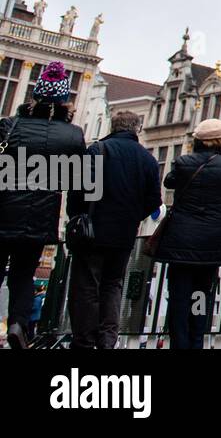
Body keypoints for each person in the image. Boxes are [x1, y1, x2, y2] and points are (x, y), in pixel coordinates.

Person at [0, 62, 87, 349]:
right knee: (24, 273)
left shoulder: (10, 126)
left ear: (35, 95)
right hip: (41, 213)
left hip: (4, 208)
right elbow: (81, 184)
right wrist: (76, 216)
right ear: (64, 100)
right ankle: (18, 323)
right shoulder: (73, 135)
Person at [153, 118, 221, 349]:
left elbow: (169, 181)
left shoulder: (184, 162)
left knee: (178, 297)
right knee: (200, 295)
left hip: (181, 242)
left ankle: (179, 343)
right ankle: (197, 341)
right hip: (212, 244)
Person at [66, 110, 161, 349]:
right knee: (113, 284)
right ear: (137, 129)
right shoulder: (148, 159)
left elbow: (78, 189)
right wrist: (132, 216)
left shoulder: (98, 150)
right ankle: (108, 339)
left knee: (88, 285)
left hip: (93, 230)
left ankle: (84, 340)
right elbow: (153, 200)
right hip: (124, 234)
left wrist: (78, 216)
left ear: (113, 126)